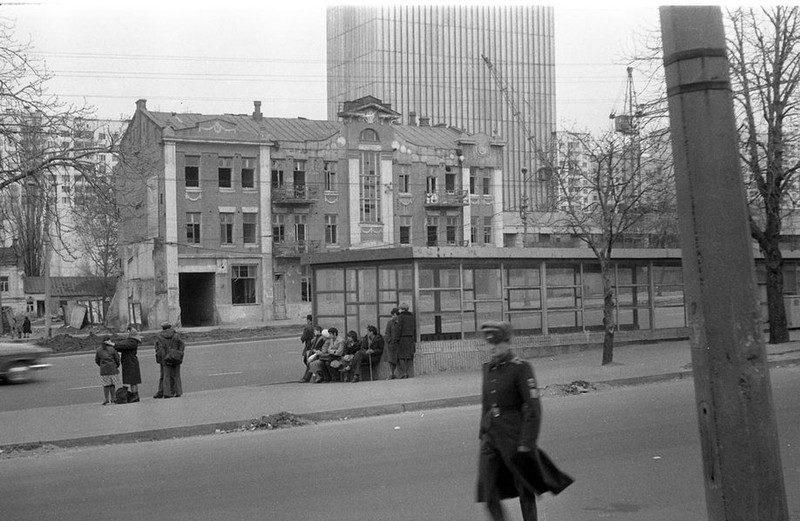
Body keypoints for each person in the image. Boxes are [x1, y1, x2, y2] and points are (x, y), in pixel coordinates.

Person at [476, 321, 573, 521]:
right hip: (491, 439)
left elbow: (533, 409)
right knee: (488, 490)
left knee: (524, 490)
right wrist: (483, 432)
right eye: (490, 344)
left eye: (497, 344)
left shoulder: (520, 368)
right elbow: (486, 404)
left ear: (507, 343)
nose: (492, 348)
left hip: (514, 438)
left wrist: (526, 443)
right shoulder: (488, 368)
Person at [154, 323, 185, 398]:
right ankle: (178, 392)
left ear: (163, 328)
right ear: (170, 327)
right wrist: (179, 353)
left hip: (165, 358)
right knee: (176, 375)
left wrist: (161, 358)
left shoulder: (159, 336)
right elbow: (182, 345)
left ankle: (167, 393)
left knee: (166, 376)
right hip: (175, 356)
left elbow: (159, 349)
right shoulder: (176, 335)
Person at [114, 328, 143, 402]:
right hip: (129, 362)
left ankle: (134, 396)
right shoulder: (131, 341)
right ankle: (134, 395)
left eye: (128, 332)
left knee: (133, 380)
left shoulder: (132, 341)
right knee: (132, 380)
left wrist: (114, 344)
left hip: (131, 362)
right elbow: (121, 347)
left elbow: (123, 346)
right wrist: (115, 345)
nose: (126, 333)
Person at [95, 338, 120, 405]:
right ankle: (113, 399)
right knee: (112, 384)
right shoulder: (113, 349)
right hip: (113, 369)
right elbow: (117, 359)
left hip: (104, 370)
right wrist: (116, 366)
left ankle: (106, 399)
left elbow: (97, 360)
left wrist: (102, 365)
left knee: (106, 385)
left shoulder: (99, 350)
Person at [395, 303, 416, 378]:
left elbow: (399, 329)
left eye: (399, 309)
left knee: (401, 356)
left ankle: (404, 373)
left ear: (401, 309)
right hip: (410, 338)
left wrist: (396, 339)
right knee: (409, 356)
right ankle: (409, 373)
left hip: (402, 338)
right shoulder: (412, 316)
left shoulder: (400, 317)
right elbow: (414, 328)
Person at [384, 308, 400, 379]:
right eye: (392, 316)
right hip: (391, 344)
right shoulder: (390, 323)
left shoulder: (400, 322)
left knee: (398, 358)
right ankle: (392, 373)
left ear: (396, 315)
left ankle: (399, 373)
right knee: (391, 359)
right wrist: (389, 341)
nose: (392, 317)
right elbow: (387, 333)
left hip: (398, 344)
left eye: (393, 315)